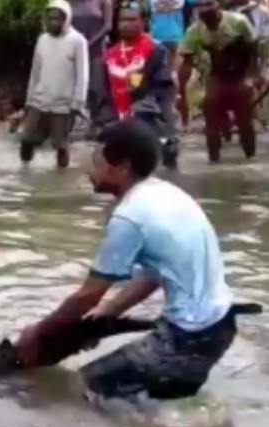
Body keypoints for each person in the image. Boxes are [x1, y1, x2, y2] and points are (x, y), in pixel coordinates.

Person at [17, 119, 239, 403]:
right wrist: (105, 317)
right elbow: (152, 277)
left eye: (96, 162)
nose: (88, 170)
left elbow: (88, 295)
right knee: (139, 401)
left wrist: (37, 332)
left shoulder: (128, 217)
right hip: (219, 326)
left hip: (187, 337)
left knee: (77, 391)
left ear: (121, 169)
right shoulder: (162, 192)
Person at [178, 0, 259, 163]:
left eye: (209, 5)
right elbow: (186, 62)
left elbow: (254, 48)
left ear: (218, 5)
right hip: (217, 74)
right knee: (210, 108)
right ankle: (213, 159)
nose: (206, 10)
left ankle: (250, 156)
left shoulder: (238, 21)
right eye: (201, 7)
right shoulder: (195, 31)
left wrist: (253, 76)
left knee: (244, 117)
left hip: (241, 72)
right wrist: (181, 93)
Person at [106, 0, 179, 169]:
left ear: (144, 22)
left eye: (132, 20)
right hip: (119, 118)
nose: (126, 25)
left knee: (166, 153)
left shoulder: (155, 50)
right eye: (122, 20)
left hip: (150, 115)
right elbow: (104, 90)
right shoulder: (110, 54)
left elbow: (162, 87)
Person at [21, 0, 89, 169]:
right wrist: (29, 101)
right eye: (50, 18)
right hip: (39, 100)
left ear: (66, 19)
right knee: (27, 139)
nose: (53, 22)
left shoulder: (78, 41)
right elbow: (35, 72)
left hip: (64, 104)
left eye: (57, 19)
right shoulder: (42, 39)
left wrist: (77, 103)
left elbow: (83, 75)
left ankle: (61, 175)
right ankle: (24, 170)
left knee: (61, 144)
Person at [70, 0, 115, 135]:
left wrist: (88, 43)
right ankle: (74, 121)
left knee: (96, 86)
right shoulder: (72, 1)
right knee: (77, 86)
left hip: (96, 49)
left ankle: (97, 122)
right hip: (75, 52)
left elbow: (107, 25)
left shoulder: (103, 0)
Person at [146, 0, 198, 64]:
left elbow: (195, 8)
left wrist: (194, 31)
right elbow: (148, 12)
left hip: (179, 35)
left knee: (175, 71)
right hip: (156, 36)